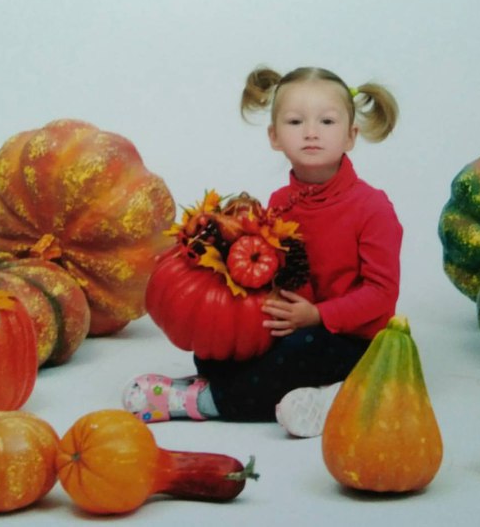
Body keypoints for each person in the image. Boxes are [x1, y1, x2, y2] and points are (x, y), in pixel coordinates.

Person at [122, 66, 403, 437]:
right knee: (212, 354)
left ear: (351, 136)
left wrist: (317, 315)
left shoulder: (372, 207)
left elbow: (381, 294)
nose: (311, 132)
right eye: (295, 121)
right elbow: (275, 273)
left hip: (354, 341)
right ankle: (324, 395)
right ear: (274, 136)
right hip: (295, 322)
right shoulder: (280, 202)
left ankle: (206, 402)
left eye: (327, 121)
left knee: (301, 348)